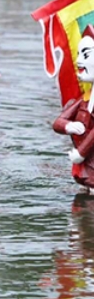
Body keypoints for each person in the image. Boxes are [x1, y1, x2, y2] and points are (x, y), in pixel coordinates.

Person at [53, 24, 94, 192]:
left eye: (85, 55)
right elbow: (58, 122)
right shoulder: (85, 98)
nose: (79, 61)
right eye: (79, 54)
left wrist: (81, 152)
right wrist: (69, 126)